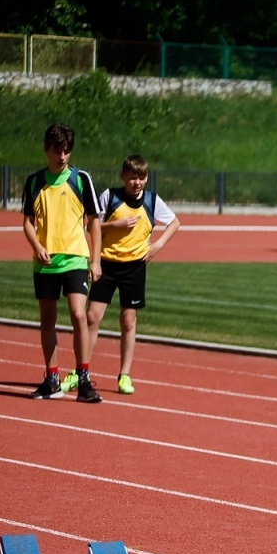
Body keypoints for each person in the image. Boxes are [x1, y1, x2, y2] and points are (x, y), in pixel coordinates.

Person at [86, 155, 181, 394]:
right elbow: (91, 225)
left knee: (128, 321)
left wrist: (158, 245)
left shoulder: (152, 200)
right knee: (92, 317)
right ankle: (81, 371)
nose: (137, 182)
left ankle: (124, 376)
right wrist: (113, 226)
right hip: (107, 263)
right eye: (132, 178)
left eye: (141, 178)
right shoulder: (110, 196)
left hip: (135, 267)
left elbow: (175, 222)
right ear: (123, 177)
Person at [22, 123, 102, 402]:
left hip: (75, 259)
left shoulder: (81, 179)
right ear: (46, 150)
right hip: (44, 262)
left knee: (79, 314)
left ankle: (83, 378)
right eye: (58, 151)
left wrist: (95, 259)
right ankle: (52, 377)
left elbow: (94, 221)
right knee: (48, 320)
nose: (63, 156)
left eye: (67, 151)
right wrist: (37, 245)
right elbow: (28, 223)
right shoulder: (34, 182)